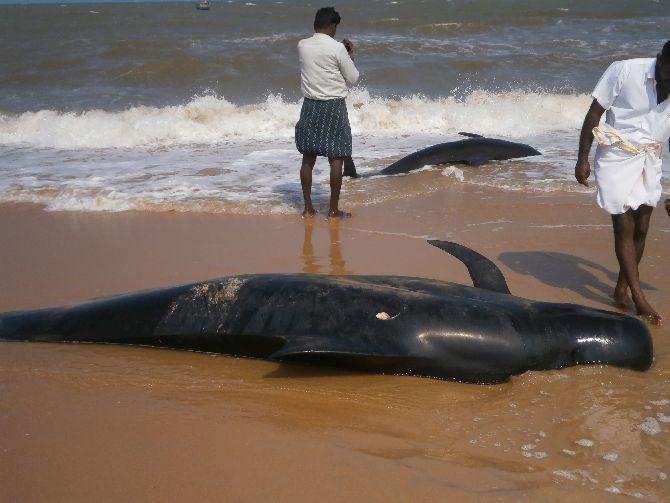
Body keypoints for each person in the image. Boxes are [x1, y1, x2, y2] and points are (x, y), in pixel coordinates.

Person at [575, 40, 670, 324]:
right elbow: (594, 113)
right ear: (660, 61)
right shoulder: (625, 71)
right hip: (617, 154)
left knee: (642, 224)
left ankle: (622, 286)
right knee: (624, 224)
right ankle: (638, 297)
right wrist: (582, 158)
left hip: (651, 156)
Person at [295, 7, 359, 218]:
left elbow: (320, 56)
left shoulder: (302, 45)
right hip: (333, 106)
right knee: (336, 158)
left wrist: (339, 50)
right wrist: (349, 55)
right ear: (332, 26)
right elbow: (352, 78)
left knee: (308, 157)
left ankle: (308, 208)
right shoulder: (338, 49)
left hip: (310, 106)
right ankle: (332, 210)